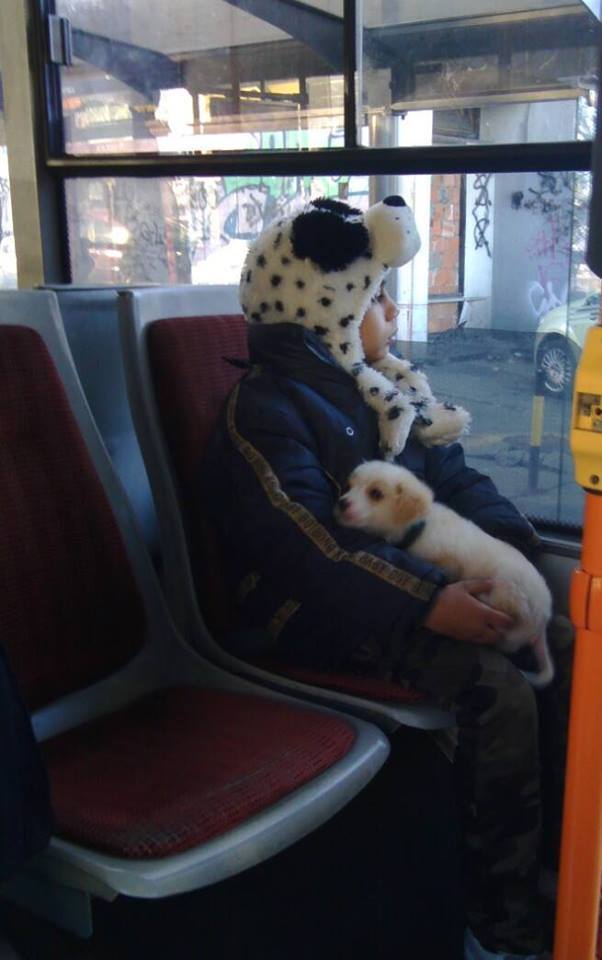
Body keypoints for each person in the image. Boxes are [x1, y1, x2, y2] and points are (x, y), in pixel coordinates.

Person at [201, 195, 563, 960]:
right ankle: (502, 916)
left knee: (563, 643)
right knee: (496, 688)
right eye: (377, 297)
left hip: (398, 585)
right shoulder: (263, 410)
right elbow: (302, 545)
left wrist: (510, 552)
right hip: (310, 612)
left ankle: (554, 863)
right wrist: (428, 602)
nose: (394, 312)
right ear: (327, 307)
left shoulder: (379, 391)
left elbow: (451, 480)